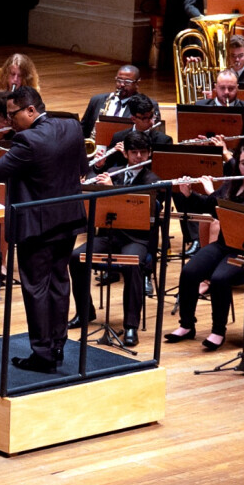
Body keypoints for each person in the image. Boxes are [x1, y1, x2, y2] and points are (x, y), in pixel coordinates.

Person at [0, 87, 87, 373]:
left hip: (37, 226)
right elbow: (81, 168)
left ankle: (42, 353)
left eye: (13, 115)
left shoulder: (28, 139)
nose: (10, 121)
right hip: (68, 218)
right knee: (60, 282)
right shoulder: (72, 126)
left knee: (36, 287)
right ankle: (57, 344)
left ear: (30, 110)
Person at [165, 143, 244, 351]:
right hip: (225, 244)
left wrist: (211, 193)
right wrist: (189, 194)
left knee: (219, 278)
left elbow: (232, 212)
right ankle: (187, 325)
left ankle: (218, 330)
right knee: (190, 271)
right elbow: (210, 208)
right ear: (238, 164)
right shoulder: (231, 185)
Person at [69, 131, 161, 346]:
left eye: (143, 152)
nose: (138, 156)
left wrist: (113, 191)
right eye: (134, 152)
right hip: (111, 236)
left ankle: (130, 326)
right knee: (76, 257)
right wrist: (90, 186)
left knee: (131, 264)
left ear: (149, 153)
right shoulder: (114, 172)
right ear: (126, 154)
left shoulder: (153, 180)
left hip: (137, 240)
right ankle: (85, 312)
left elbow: (140, 208)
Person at [90, 94, 171, 173]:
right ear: (133, 119)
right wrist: (99, 165)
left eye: (152, 116)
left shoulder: (164, 141)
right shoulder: (119, 137)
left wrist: (130, 156)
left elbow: (164, 171)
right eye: (145, 118)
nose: (152, 122)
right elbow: (106, 170)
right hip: (122, 183)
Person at [80, 64, 159, 138]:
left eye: (127, 82)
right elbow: (84, 128)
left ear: (137, 83)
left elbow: (153, 133)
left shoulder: (148, 105)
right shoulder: (97, 100)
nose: (122, 85)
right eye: (119, 80)